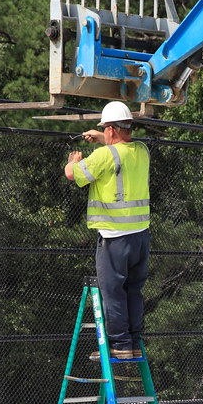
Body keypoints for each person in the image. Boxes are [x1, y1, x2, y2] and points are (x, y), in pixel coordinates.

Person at [64, 101, 151, 360]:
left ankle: (120, 346)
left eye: (105, 128)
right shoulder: (142, 151)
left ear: (111, 129)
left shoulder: (103, 156)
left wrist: (73, 162)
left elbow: (73, 175)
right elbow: (122, 150)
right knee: (133, 290)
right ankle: (133, 343)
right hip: (140, 236)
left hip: (114, 238)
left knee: (112, 292)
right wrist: (103, 137)